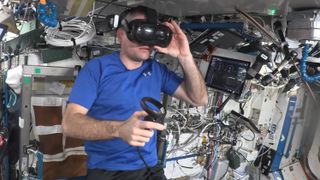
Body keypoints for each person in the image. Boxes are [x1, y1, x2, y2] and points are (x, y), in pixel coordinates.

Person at [62, 5, 208, 180]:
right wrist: (119, 130)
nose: (147, 42)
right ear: (121, 35)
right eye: (141, 31)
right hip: (108, 171)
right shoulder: (97, 69)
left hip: (150, 168)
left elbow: (199, 99)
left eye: (151, 33)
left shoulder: (157, 70)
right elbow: (69, 124)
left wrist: (185, 56)